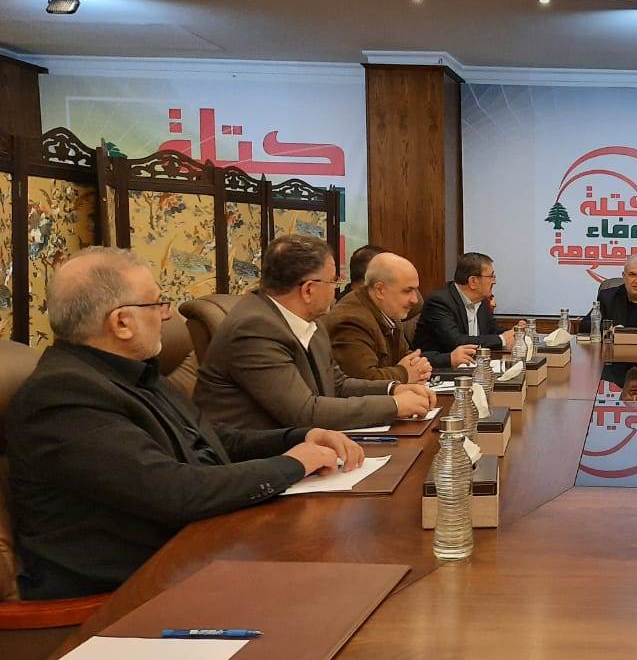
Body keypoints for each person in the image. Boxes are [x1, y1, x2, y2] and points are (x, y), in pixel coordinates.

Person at [7, 247, 364, 600]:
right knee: (338, 580)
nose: (166, 315)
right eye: (157, 303)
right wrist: (293, 464)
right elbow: (177, 491)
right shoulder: (63, 397)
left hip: (201, 551)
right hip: (133, 591)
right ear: (121, 323)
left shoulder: (131, 372)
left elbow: (215, 439)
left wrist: (299, 437)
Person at [195, 234, 435, 431]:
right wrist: (394, 405)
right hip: (251, 458)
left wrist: (393, 389)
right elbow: (304, 413)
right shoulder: (254, 329)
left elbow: (337, 385)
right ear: (308, 290)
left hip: (299, 444)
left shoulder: (312, 322)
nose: (336, 290)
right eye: (333, 282)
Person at [325, 252, 475, 382]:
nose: (415, 300)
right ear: (380, 290)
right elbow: (363, 380)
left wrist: (420, 365)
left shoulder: (389, 311)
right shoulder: (351, 321)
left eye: (415, 290)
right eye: (407, 291)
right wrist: (404, 373)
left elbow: (407, 358)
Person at [413, 252, 516, 354]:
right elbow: (456, 342)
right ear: (473, 281)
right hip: (438, 363)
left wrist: (515, 333)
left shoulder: (481, 300)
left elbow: (492, 330)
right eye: (491, 276)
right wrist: (502, 340)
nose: (494, 281)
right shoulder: (439, 302)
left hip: (473, 362)